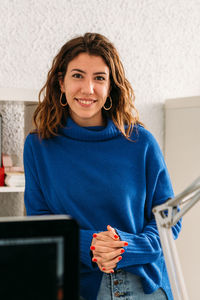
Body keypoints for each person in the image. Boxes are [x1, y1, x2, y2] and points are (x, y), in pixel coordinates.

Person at [23, 32, 181, 300]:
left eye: (99, 78)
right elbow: (40, 223)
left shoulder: (141, 142)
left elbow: (169, 219)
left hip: (142, 285)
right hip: (76, 285)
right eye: (77, 76)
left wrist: (127, 247)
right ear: (61, 82)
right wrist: (90, 245)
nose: (88, 89)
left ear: (110, 87)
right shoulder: (39, 146)